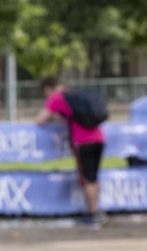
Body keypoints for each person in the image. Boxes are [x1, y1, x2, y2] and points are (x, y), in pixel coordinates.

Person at [36, 74, 105, 226]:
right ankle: (96, 211)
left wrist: (49, 116)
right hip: (99, 137)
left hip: (82, 141)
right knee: (93, 177)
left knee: (88, 179)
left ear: (48, 89)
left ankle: (93, 215)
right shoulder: (72, 93)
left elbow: (40, 120)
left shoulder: (56, 98)